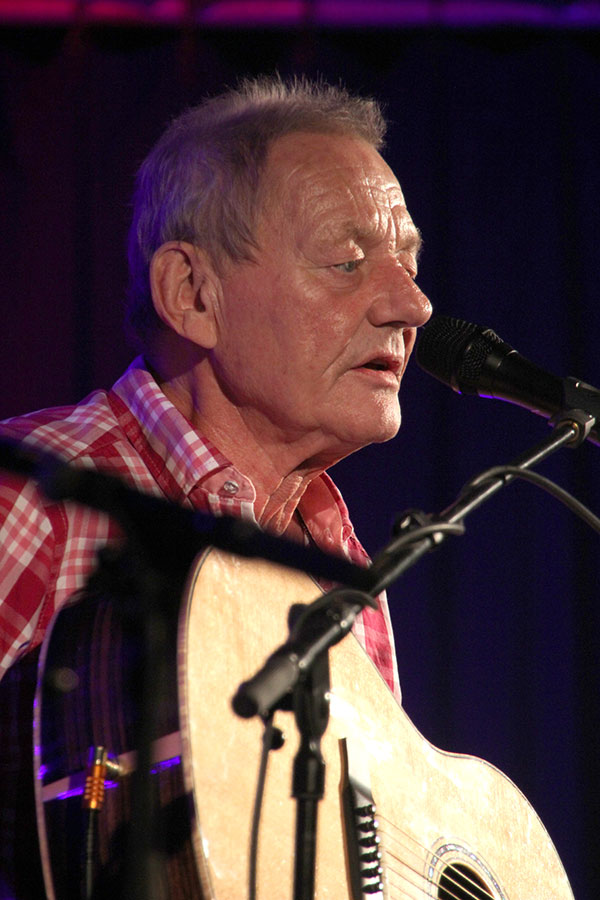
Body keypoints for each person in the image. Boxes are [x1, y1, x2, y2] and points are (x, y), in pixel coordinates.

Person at [0, 74, 431, 894]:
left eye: (409, 264)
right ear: (192, 295)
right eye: (346, 262)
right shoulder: (36, 497)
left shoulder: (343, 569)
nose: (413, 305)